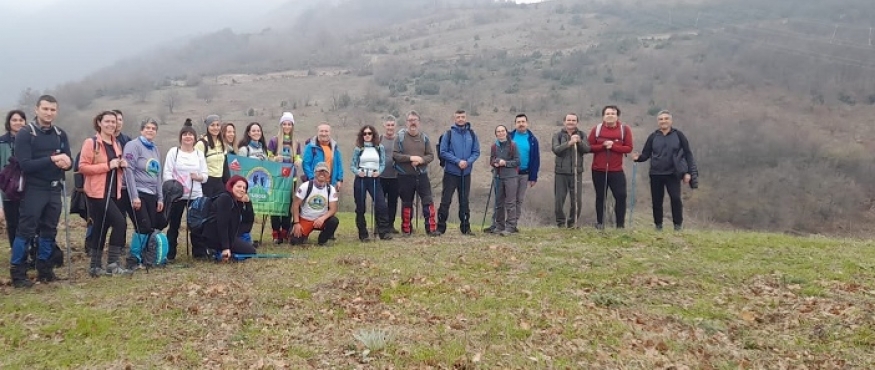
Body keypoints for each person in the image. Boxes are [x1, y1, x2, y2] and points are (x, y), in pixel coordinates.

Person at [10, 95, 72, 288]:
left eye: (52, 109)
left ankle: (45, 270)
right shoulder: (26, 134)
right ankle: (18, 273)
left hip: (54, 189)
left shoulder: (60, 134)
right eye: (45, 109)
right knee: (26, 231)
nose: (49, 113)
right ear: (36, 110)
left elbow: (68, 159)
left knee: (49, 230)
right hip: (33, 189)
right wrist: (52, 160)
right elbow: (26, 165)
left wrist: (68, 163)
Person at [79, 111, 132, 277]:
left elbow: (115, 169)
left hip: (113, 191)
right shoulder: (91, 143)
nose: (111, 124)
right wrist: (108, 165)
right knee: (120, 222)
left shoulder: (116, 143)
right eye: (107, 121)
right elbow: (83, 167)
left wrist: (122, 165)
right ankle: (112, 263)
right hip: (97, 192)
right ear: (99, 123)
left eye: (113, 122)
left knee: (101, 227)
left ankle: (95, 266)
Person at [632, 110, 698, 231]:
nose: (663, 121)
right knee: (657, 201)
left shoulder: (679, 135)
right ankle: (658, 226)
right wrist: (638, 158)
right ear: (658, 122)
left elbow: (688, 154)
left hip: (673, 173)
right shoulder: (653, 137)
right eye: (661, 119)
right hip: (656, 173)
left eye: (666, 119)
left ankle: (677, 226)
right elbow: (646, 154)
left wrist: (688, 172)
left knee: (675, 199)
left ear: (671, 121)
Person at [485, 113, 541, 233]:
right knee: (500, 200)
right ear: (515, 124)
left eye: (523, 122)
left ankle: (512, 225)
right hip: (504, 174)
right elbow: (495, 154)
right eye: (518, 122)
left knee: (517, 200)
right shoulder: (508, 136)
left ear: (527, 123)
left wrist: (533, 176)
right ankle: (497, 225)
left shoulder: (532, 140)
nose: (521, 124)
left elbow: (535, 159)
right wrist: (495, 163)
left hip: (523, 173)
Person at [163, 121, 208, 262]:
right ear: (180, 137)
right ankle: (170, 253)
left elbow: (205, 175)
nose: (188, 137)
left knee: (196, 224)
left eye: (190, 134)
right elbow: (167, 173)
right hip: (176, 196)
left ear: (194, 138)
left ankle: (199, 252)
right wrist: (173, 188)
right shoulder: (173, 152)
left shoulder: (199, 154)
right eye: (185, 134)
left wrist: (198, 177)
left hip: (195, 195)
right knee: (174, 225)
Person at [122, 118, 164, 268]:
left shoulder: (155, 149)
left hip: (152, 194)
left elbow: (158, 174)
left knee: (150, 226)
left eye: (153, 128)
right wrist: (134, 196)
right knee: (143, 225)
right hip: (137, 192)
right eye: (147, 128)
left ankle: (145, 256)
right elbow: (128, 171)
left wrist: (160, 197)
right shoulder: (133, 146)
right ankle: (133, 258)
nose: (150, 130)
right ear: (141, 130)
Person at [392, 110, 439, 236]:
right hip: (404, 176)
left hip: (421, 175)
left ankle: (431, 229)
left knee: (428, 201)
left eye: (415, 120)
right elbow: (395, 155)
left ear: (419, 122)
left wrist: (421, 160)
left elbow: (431, 155)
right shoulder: (400, 138)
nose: (412, 123)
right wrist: (411, 158)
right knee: (407, 203)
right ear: (406, 123)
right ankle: (406, 229)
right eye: (410, 120)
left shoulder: (424, 138)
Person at [588, 105, 633, 229]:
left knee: (621, 196)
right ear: (603, 116)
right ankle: (600, 224)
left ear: (617, 116)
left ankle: (620, 225)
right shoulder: (596, 129)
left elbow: (628, 148)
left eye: (613, 113)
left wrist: (613, 146)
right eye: (607, 113)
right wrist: (603, 146)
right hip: (598, 170)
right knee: (600, 197)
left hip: (616, 170)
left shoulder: (625, 130)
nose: (610, 115)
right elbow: (589, 147)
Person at [437, 110, 480, 235]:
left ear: (466, 118)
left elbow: (476, 152)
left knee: (464, 201)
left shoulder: (472, 134)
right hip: (451, 173)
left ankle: (466, 228)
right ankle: (440, 227)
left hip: (465, 173)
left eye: (463, 117)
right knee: (446, 200)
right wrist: (457, 161)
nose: (460, 119)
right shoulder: (448, 134)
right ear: (454, 118)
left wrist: (468, 161)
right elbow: (443, 152)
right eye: (458, 117)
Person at [350, 125, 393, 241]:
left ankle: (384, 232)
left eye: (369, 133)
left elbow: (382, 163)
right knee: (360, 207)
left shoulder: (379, 148)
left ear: (373, 135)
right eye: (365, 134)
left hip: (374, 179)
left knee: (381, 205)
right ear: (362, 136)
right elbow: (352, 165)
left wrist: (379, 172)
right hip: (361, 179)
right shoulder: (359, 149)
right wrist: (358, 172)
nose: (367, 136)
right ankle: (363, 234)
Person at [267, 112, 302, 244]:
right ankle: (276, 233)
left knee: (288, 205)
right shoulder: (274, 140)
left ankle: (285, 231)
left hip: (290, 179)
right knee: (276, 205)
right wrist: (275, 158)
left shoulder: (296, 142)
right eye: (285, 124)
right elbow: (268, 157)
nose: (287, 126)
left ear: (292, 126)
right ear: (281, 125)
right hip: (277, 177)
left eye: (289, 124)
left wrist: (298, 160)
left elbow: (298, 156)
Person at [203, 175, 257, 260]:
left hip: (230, 236)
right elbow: (222, 224)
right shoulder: (225, 198)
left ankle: (222, 252)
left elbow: (248, 223)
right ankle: (216, 252)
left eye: (244, 188)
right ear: (231, 186)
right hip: (215, 237)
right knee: (250, 251)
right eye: (239, 186)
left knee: (250, 250)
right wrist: (225, 247)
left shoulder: (235, 201)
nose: (242, 189)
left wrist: (248, 203)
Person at [551, 113, 590, 228]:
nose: (571, 122)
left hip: (576, 172)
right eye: (569, 120)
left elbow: (587, 149)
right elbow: (556, 150)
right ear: (564, 122)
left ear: (577, 122)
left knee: (577, 200)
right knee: (559, 200)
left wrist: (579, 142)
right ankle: (561, 222)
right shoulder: (557, 135)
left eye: (573, 120)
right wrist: (569, 143)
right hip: (561, 172)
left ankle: (573, 222)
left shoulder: (582, 135)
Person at [290, 162, 339, 246]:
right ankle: (303, 234)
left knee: (334, 221)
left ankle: (322, 239)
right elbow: (295, 205)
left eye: (325, 172)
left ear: (328, 175)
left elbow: (333, 209)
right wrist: (296, 223)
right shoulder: (305, 186)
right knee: (294, 242)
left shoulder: (331, 189)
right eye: (320, 171)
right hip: (305, 219)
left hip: (321, 220)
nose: (322, 173)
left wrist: (322, 218)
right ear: (315, 173)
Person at [1, 110, 27, 246]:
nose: (18, 123)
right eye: (14, 120)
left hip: (28, 189)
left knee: (28, 223)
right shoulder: (1, 143)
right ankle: (16, 253)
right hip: (8, 191)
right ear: (9, 122)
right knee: (12, 224)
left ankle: (30, 252)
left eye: (21, 120)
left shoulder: (31, 141)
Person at [489, 125, 521, 236]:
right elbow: (491, 160)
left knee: (510, 202)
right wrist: (496, 162)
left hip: (511, 177)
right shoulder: (494, 146)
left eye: (503, 131)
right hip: (498, 177)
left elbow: (517, 161)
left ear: (506, 133)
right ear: (496, 134)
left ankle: (510, 226)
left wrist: (505, 163)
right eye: (498, 131)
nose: (501, 133)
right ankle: (499, 226)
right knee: (498, 203)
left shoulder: (513, 145)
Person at [302, 123, 343, 190]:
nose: (324, 134)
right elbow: (306, 164)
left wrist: (339, 179)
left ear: (330, 133)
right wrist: (312, 179)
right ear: (317, 132)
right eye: (321, 131)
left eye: (326, 131)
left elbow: (339, 164)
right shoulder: (311, 147)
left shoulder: (334, 147)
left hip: (330, 184)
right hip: (314, 184)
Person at [194, 115, 227, 197]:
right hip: (207, 183)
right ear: (207, 127)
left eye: (218, 125)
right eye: (212, 125)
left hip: (220, 182)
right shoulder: (201, 144)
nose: (215, 128)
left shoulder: (222, 143)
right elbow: (196, 164)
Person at [379, 115, 400, 234]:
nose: (390, 127)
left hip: (396, 176)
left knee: (393, 202)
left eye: (392, 125)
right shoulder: (379, 139)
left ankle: (390, 225)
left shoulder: (399, 140)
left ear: (395, 126)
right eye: (388, 125)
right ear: (384, 125)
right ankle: (380, 225)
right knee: (380, 202)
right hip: (381, 176)